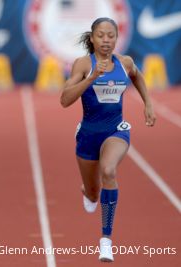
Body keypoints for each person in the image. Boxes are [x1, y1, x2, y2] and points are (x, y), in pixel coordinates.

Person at [60, 17, 156, 262]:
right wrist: (91, 78)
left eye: (110, 36)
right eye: (101, 35)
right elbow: (65, 100)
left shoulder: (125, 63)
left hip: (116, 130)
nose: (106, 40)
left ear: (117, 38)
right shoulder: (83, 64)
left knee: (109, 171)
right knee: (93, 193)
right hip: (88, 135)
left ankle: (106, 240)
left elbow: (138, 77)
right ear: (92, 39)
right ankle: (89, 191)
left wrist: (148, 104)